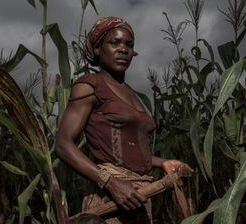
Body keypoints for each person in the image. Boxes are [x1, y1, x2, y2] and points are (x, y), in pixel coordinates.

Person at [55, 16, 193, 224]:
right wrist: (111, 183)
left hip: (141, 196)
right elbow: (63, 144)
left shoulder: (132, 94)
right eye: (114, 42)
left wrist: (163, 162)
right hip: (110, 199)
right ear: (98, 49)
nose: (123, 49)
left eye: (129, 45)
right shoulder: (90, 86)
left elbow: (131, 149)